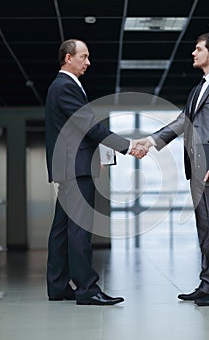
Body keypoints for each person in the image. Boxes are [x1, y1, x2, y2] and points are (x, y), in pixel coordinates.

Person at [133, 32, 209, 306]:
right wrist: (150, 141)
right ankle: (207, 283)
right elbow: (182, 122)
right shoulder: (199, 89)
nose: (193, 53)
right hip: (196, 167)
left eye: (198, 49)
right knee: (205, 228)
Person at [45, 39, 146, 306]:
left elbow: (77, 130)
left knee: (62, 229)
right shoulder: (65, 86)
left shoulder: (63, 86)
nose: (88, 62)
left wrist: (95, 155)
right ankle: (87, 290)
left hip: (71, 166)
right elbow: (88, 125)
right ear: (68, 58)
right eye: (84, 57)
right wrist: (128, 146)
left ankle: (57, 286)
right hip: (75, 170)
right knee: (79, 229)